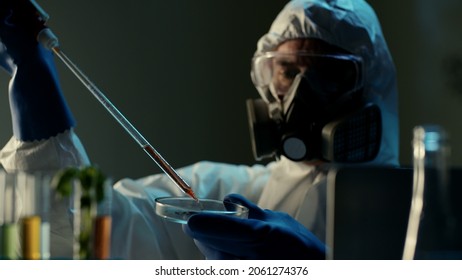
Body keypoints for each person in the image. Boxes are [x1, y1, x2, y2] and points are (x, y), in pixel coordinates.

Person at [0, 0, 398, 259]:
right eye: (288, 72)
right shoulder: (216, 192)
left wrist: (315, 264)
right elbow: (83, 240)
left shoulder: (421, 207)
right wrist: (39, 108)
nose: (298, 95)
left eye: (326, 73)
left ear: (371, 85)